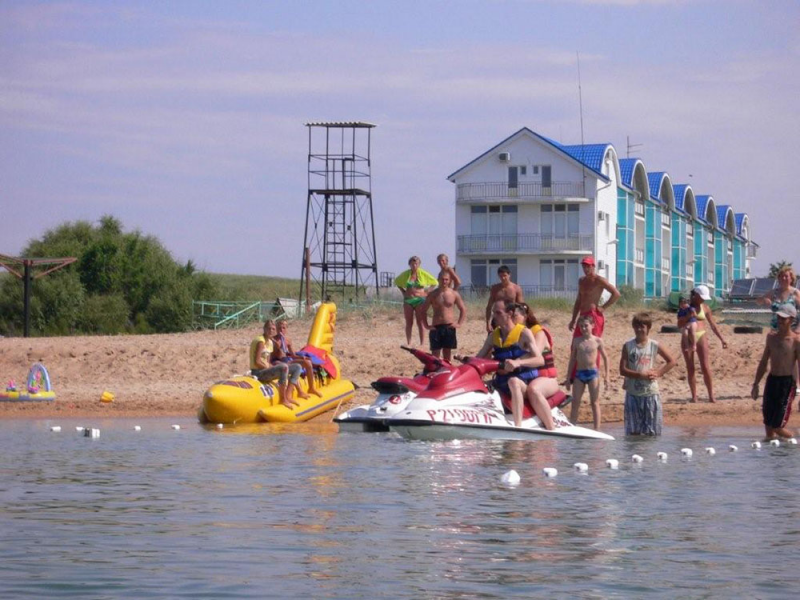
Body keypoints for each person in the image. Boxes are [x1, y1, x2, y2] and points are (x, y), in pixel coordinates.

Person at [476, 300, 546, 428]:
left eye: (498, 313)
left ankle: (517, 426)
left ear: (509, 313)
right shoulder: (493, 336)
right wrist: (465, 360)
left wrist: (518, 362)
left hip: (524, 383)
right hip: (502, 381)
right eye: (493, 313)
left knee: (513, 381)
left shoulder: (524, 333)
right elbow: (479, 358)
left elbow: (540, 360)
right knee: (479, 386)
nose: (494, 317)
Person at [619, 312, 677, 436]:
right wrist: (640, 375)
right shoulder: (628, 346)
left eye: (642, 327)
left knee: (653, 433)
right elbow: (622, 370)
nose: (639, 329)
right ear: (633, 327)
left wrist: (659, 373)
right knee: (633, 433)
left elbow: (671, 361)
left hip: (651, 392)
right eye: (636, 326)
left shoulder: (654, 345)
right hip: (633, 393)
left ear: (648, 328)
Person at [751, 304, 799, 440]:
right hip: (772, 381)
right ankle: (773, 451)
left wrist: (799, 387)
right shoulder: (771, 337)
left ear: (791, 319)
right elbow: (763, 362)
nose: (780, 321)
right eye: (779, 317)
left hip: (787, 384)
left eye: (783, 318)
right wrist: (756, 384)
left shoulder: (796, 340)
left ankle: (795, 442)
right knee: (768, 427)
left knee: (777, 427)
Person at [513, 303, 558, 430]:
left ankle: (551, 428)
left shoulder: (539, 333)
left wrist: (514, 362)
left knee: (534, 389)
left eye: (515, 316)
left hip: (547, 379)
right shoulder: (512, 335)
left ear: (525, 316)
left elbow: (535, 355)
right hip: (528, 378)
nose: (511, 319)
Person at [757, 265, 800, 392]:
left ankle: (796, 383)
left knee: (793, 355)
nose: (784, 278)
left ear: (791, 278)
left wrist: (799, 328)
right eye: (781, 276)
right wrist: (764, 300)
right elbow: (758, 301)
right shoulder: (774, 292)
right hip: (776, 327)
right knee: (777, 354)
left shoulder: (795, 293)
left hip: (792, 327)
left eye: (786, 276)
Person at [682, 285, 728, 403]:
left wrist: (722, 339)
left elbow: (713, 325)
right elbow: (679, 323)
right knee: (690, 368)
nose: (703, 299)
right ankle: (694, 396)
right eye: (701, 297)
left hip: (701, 335)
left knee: (705, 366)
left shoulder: (705, 307)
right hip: (688, 337)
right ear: (696, 295)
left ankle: (711, 395)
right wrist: (687, 316)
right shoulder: (686, 307)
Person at [566, 315, 609, 430]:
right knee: (575, 402)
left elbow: (605, 358)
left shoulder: (597, 341)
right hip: (579, 374)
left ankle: (597, 429)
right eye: (581, 326)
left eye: (586, 326)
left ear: (592, 326)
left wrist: (607, 376)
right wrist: (568, 377)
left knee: (594, 402)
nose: (583, 328)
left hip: (593, 374)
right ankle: (572, 427)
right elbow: (572, 359)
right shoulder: (576, 341)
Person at [568, 255, 620, 339]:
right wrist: (573, 320)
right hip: (582, 315)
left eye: (588, 266)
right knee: (576, 342)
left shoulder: (599, 280)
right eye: (584, 266)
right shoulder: (581, 281)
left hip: (593, 315)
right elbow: (578, 301)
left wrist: (603, 307)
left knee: (593, 343)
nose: (586, 269)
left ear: (593, 266)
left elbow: (616, 294)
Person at [249, 320, 297, 408]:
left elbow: (268, 361)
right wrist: (270, 368)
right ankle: (283, 399)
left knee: (296, 367)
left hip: (265, 370)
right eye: (269, 329)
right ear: (264, 329)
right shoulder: (261, 341)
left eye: (273, 329)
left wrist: (273, 367)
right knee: (284, 367)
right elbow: (257, 362)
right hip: (258, 372)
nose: (271, 331)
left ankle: (288, 395)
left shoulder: (270, 342)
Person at [420, 271, 466, 362]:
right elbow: (423, 310)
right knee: (435, 355)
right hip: (436, 327)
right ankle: (436, 370)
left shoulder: (454, 294)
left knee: (447, 354)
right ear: (438, 280)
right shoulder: (432, 294)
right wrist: (426, 325)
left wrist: (459, 323)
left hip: (449, 327)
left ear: (449, 281)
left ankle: (446, 369)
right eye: (442, 279)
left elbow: (463, 309)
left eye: (446, 279)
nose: (444, 281)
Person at [394, 256, 438, 345]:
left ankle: (422, 343)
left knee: (420, 322)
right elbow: (396, 281)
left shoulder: (423, 273)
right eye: (412, 264)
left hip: (420, 300)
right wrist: (403, 291)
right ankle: (409, 343)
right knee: (409, 322)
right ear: (409, 264)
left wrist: (427, 292)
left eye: (416, 264)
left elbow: (435, 282)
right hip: (408, 300)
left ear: (419, 264)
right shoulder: (406, 274)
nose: (414, 265)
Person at [273, 319, 322, 397]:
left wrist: (302, 357)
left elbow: (293, 355)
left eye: (283, 328)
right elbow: (277, 355)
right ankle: (300, 391)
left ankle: (311, 388)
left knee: (308, 363)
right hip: (276, 361)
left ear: (286, 329)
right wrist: (277, 347)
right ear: (276, 328)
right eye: (279, 328)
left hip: (286, 360)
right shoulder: (273, 340)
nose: (281, 330)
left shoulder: (288, 340)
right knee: (290, 367)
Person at [484, 265, 524, 333]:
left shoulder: (516, 288)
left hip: (511, 319)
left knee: (512, 338)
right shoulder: (495, 289)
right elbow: (489, 307)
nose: (503, 278)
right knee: (493, 338)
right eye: (501, 276)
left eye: (505, 275)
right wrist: (488, 323)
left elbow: (521, 307)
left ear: (509, 275)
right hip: (497, 319)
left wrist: (520, 321)